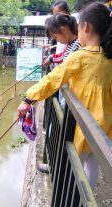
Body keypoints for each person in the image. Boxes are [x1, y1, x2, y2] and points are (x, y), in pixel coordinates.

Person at [17, 2, 112, 189]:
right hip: (105, 123)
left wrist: (28, 98)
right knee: (92, 162)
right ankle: (86, 202)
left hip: (83, 123)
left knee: (76, 160)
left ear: (85, 27)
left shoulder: (81, 57)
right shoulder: (108, 57)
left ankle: (73, 199)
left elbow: (53, 79)